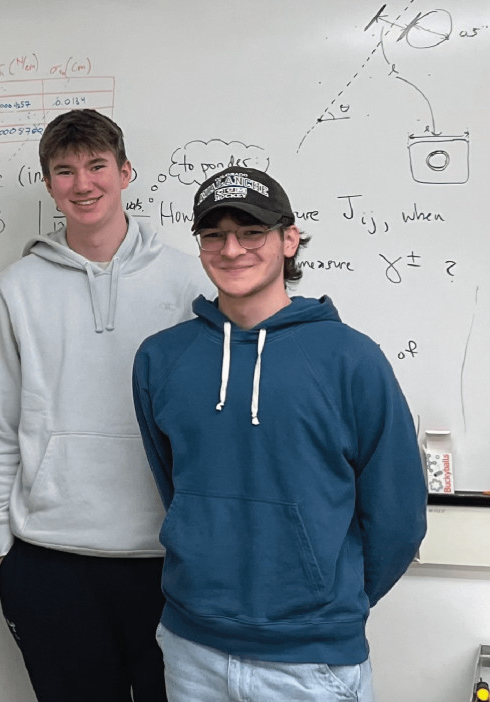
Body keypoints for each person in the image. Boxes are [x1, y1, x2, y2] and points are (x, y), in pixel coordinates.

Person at [132, 166, 427, 701]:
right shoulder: (161, 359)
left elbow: (398, 516)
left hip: (311, 661)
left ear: (289, 240)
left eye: (251, 232)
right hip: (191, 648)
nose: (232, 249)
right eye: (214, 234)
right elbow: (174, 486)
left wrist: (327, 601)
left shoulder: (351, 358)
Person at [0, 108, 209, 701]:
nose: (83, 184)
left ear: (126, 172)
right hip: (51, 561)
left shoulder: (191, 283)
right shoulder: (17, 288)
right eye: (65, 171)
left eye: (97, 166)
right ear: (49, 184)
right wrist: (5, 545)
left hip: (168, 559)